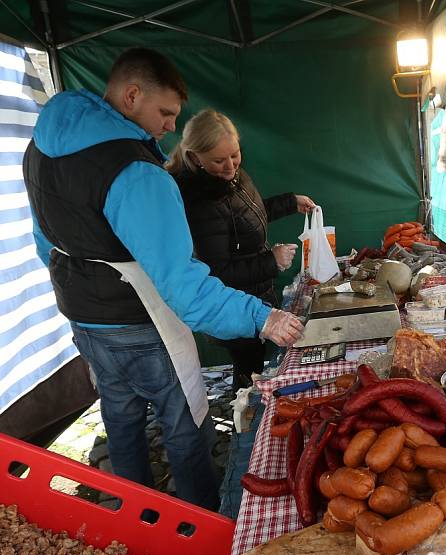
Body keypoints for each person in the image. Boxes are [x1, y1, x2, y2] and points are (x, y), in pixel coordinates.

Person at [22, 48, 304, 511]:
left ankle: (130, 512)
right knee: (184, 422)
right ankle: (198, 520)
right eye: (166, 113)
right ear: (132, 96)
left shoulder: (40, 148)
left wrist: (79, 291)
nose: (172, 126)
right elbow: (184, 288)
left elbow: (43, 240)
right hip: (139, 322)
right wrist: (261, 316)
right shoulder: (136, 172)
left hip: (81, 316)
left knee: (120, 415)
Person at [166, 110, 315, 390]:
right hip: (233, 306)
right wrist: (270, 261)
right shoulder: (200, 203)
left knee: (254, 364)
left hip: (256, 294)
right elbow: (218, 273)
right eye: (219, 160)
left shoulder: (232, 177)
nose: (230, 165)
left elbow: (247, 217)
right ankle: (246, 426)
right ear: (196, 158)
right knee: (249, 373)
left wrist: (289, 203)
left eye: (234, 155)